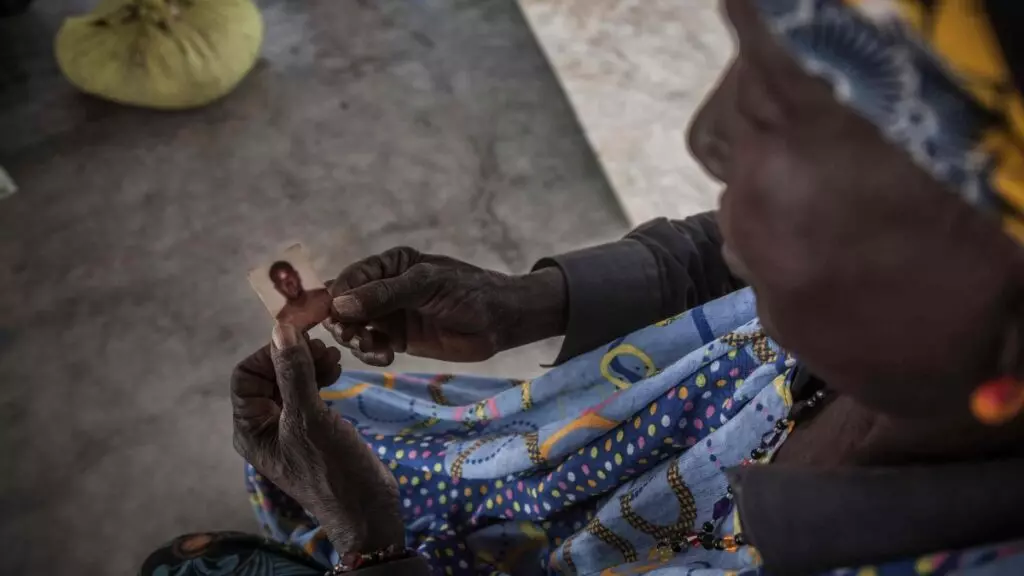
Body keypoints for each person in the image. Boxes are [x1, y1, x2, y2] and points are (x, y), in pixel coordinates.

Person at [144, 0, 1024, 574]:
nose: (703, 135)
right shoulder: (913, 324)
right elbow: (725, 255)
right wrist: (525, 305)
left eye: (785, 109)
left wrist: (374, 549)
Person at [269, 260, 331, 330]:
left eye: (289, 276)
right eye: (280, 282)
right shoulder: (282, 320)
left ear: (297, 275)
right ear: (278, 288)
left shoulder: (323, 294)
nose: (288, 284)